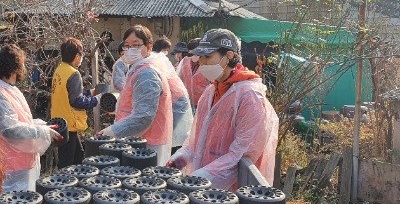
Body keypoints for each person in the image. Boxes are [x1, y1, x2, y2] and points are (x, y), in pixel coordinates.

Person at [167, 29, 278, 189]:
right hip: (206, 184)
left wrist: (201, 177)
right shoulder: (211, 91)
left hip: (232, 191)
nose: (202, 63)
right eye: (200, 57)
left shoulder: (249, 96)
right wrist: (181, 157)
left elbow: (242, 155)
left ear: (229, 56)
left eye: (208, 57)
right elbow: (196, 138)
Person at [0, 44, 61, 191]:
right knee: (15, 203)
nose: (24, 69)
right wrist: (40, 131)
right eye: (22, 64)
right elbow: (9, 129)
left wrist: (39, 125)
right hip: (10, 166)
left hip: (19, 162)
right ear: (13, 69)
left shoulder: (6, 88)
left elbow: (17, 120)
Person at [98, 26, 173, 165]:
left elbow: (143, 117)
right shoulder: (138, 69)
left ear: (149, 46)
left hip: (146, 145)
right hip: (136, 140)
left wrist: (111, 131)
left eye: (136, 45)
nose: (130, 49)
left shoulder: (147, 74)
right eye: (127, 45)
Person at [50, 38, 101, 168]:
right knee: (67, 163)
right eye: (81, 55)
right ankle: (63, 181)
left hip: (60, 122)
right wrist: (96, 100)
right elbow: (76, 101)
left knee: (78, 156)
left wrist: (89, 92)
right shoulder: (74, 73)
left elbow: (68, 92)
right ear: (77, 56)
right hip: (70, 123)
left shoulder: (60, 69)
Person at [176, 38, 211, 110]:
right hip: (187, 101)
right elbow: (178, 80)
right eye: (191, 53)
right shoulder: (185, 61)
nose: (194, 55)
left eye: (196, 53)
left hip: (204, 103)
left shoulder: (208, 64)